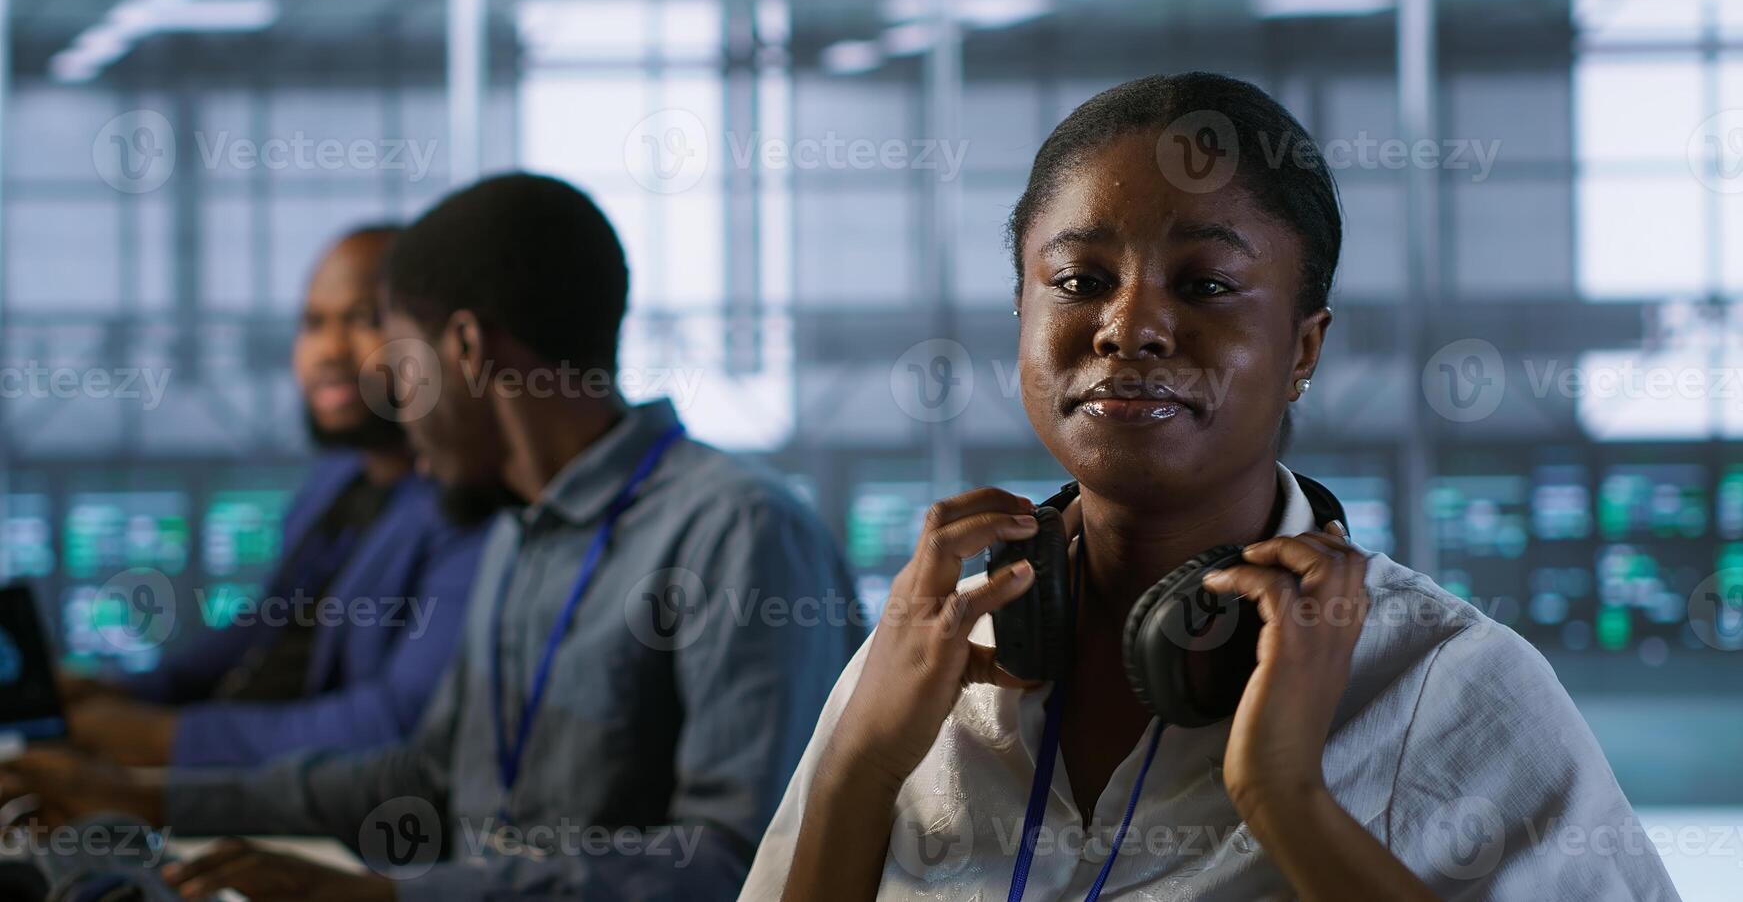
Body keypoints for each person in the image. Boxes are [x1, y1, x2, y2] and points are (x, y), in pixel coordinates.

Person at [745, 74, 1681, 900]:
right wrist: (860, 766)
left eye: (1203, 285)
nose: (1128, 327)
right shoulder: (926, 657)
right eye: (1078, 280)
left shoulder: (1444, 684)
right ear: (1021, 316)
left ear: (1302, 349)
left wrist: (1287, 801)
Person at [1, 173, 860, 902]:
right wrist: (145, 798)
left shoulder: (736, 532)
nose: (395, 408)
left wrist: (395, 898)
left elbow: (735, 864)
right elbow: (424, 779)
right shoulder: (517, 533)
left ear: (468, 348)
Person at [57, 225, 487, 769]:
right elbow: (259, 633)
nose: (329, 351)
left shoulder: (470, 508)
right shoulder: (335, 480)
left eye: (365, 319)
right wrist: (115, 694)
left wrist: (162, 739)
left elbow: (396, 724)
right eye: (313, 324)